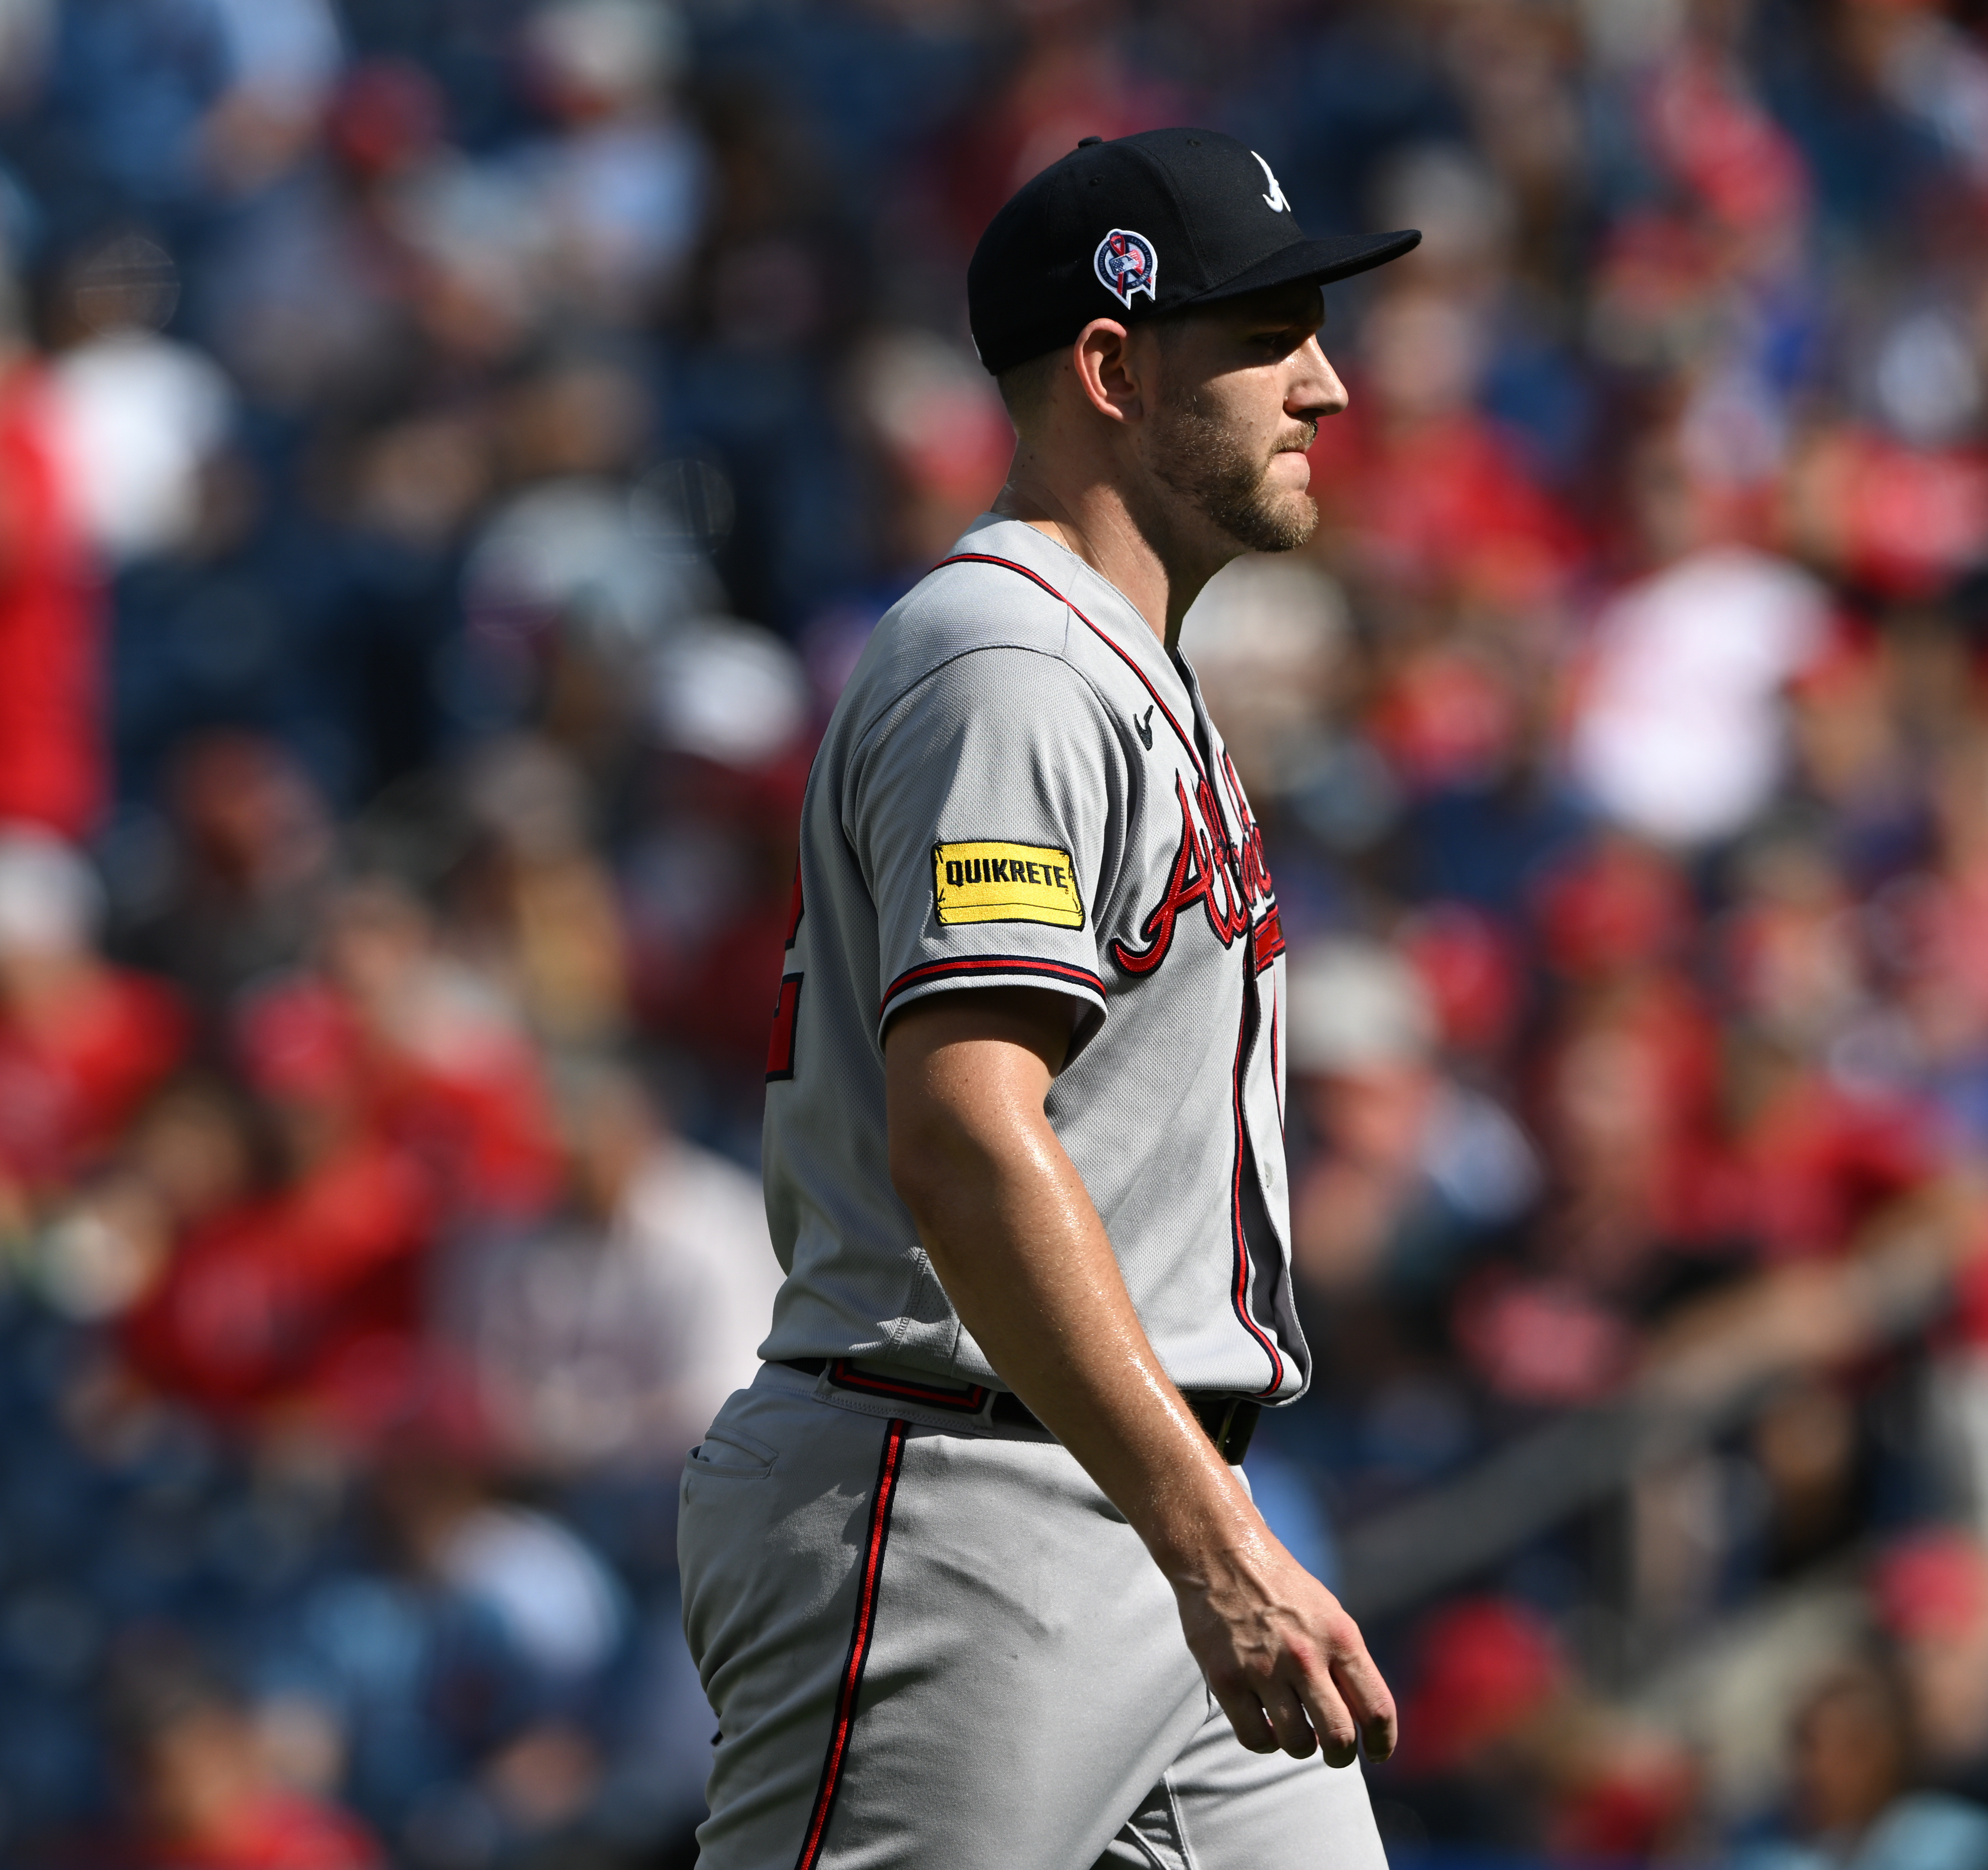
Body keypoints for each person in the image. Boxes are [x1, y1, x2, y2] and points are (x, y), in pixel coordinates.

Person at [676, 129, 1418, 1870]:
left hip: (1138, 1483)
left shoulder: (1111, 660)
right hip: (965, 1502)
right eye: (1269, 332)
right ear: (1112, 368)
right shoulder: (1007, 661)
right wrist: (1211, 1541)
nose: (1327, 383)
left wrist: (1203, 1528)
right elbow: (965, 1136)